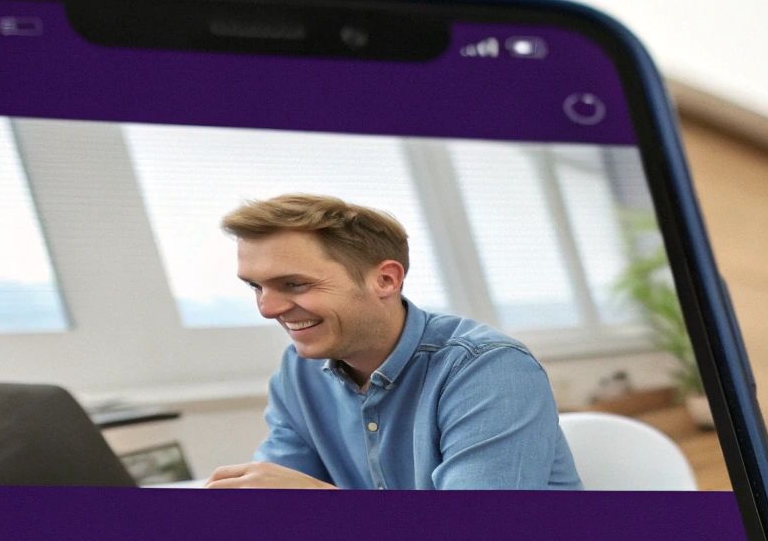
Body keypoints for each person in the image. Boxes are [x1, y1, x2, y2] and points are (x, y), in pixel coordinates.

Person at [204, 193, 581, 491]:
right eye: (256, 287)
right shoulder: (298, 371)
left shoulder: (489, 368)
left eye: (295, 284)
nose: (268, 309)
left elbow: (482, 540)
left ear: (385, 280)